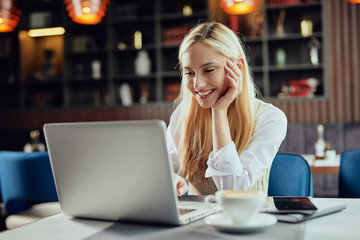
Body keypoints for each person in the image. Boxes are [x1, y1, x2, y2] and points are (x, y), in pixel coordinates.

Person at [166, 22, 287, 196]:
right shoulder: (182, 115)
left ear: (237, 67)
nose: (197, 85)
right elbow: (167, 171)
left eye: (208, 70)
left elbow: (233, 191)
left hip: (247, 221)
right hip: (196, 222)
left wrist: (219, 112)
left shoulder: (270, 119)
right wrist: (171, 178)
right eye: (189, 73)